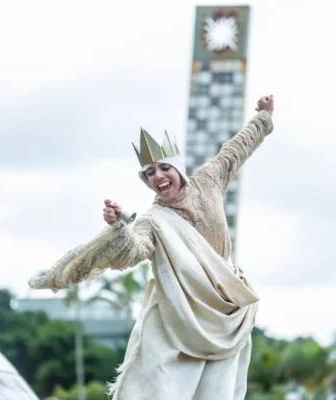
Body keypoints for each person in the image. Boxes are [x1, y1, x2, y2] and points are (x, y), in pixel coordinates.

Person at [29, 95, 274, 400]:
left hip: (225, 309)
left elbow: (236, 149)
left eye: (163, 168)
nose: (158, 176)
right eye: (150, 173)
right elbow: (133, 251)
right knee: (159, 387)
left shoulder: (209, 179)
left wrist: (263, 117)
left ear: (178, 168)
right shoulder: (153, 221)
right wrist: (119, 226)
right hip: (177, 315)